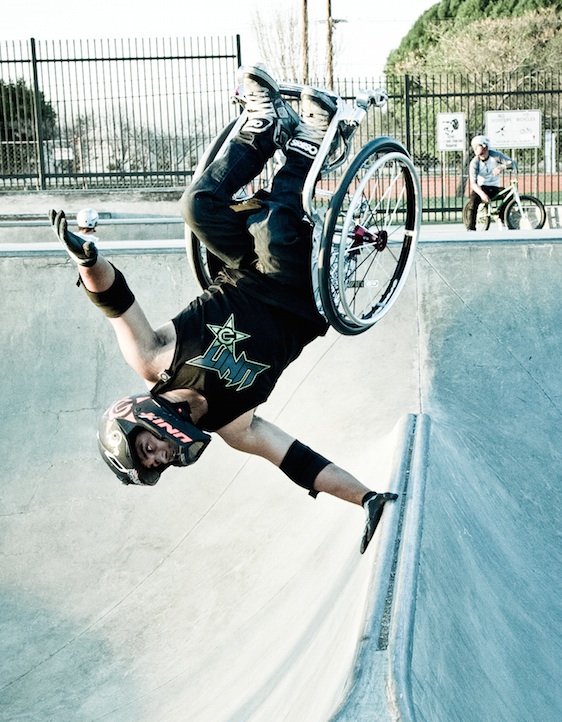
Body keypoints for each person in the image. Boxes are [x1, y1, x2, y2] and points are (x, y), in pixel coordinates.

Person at [50, 65, 397, 554]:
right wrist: (366, 498)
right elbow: (299, 462)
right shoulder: (234, 425)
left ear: (134, 417)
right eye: (158, 463)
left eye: (147, 449)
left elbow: (115, 301)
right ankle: (312, 138)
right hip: (302, 301)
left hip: (243, 270)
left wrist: (87, 261)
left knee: (197, 207)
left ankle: (264, 130)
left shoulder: (153, 359)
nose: (161, 455)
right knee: (275, 229)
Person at [465, 135, 518, 231]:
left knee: (509, 195)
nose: (475, 149)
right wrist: (482, 194)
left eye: (477, 146)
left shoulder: (495, 156)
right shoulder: (475, 163)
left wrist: (501, 167)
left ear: (485, 146)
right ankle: (471, 228)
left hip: (494, 188)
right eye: (473, 147)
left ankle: (501, 218)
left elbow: (513, 164)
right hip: (481, 188)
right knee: (473, 202)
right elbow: (473, 183)